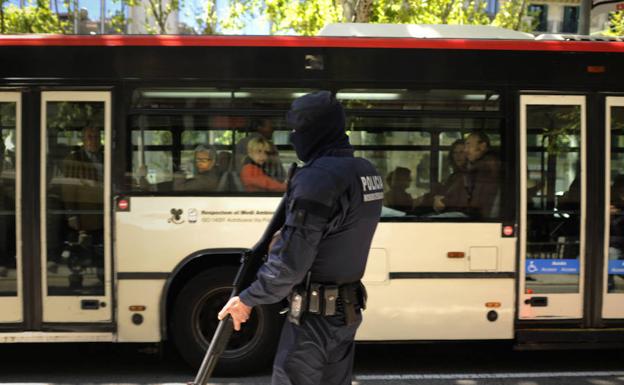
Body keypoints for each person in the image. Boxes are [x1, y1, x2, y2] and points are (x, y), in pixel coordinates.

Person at [218, 91, 383, 385]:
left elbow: (291, 263)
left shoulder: (317, 179)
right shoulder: (366, 172)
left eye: (298, 130)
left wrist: (247, 299)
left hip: (313, 322)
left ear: (316, 130)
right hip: (346, 314)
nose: (294, 138)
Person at [436, 131, 500, 218]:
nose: (466, 150)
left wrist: (444, 201)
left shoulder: (484, 169)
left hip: (475, 217)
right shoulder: (475, 169)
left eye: (469, 145)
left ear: (482, 146)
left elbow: (471, 201)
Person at [61, 126, 104, 240]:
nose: (94, 140)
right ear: (83, 140)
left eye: (97, 137)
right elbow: (68, 189)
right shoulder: (74, 159)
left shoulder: (106, 157)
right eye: (90, 137)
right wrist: (71, 215)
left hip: (106, 211)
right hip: (86, 213)